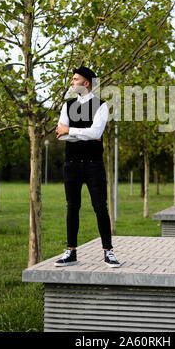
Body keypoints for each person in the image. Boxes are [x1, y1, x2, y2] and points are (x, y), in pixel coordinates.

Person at [54, 66, 120, 268]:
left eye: (75, 79)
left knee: (100, 208)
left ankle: (108, 252)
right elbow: (61, 134)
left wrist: (72, 130)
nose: (72, 82)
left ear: (87, 83)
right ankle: (71, 252)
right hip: (71, 165)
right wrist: (82, 132)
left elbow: (96, 133)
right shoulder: (67, 106)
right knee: (72, 208)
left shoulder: (101, 105)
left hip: (94, 166)